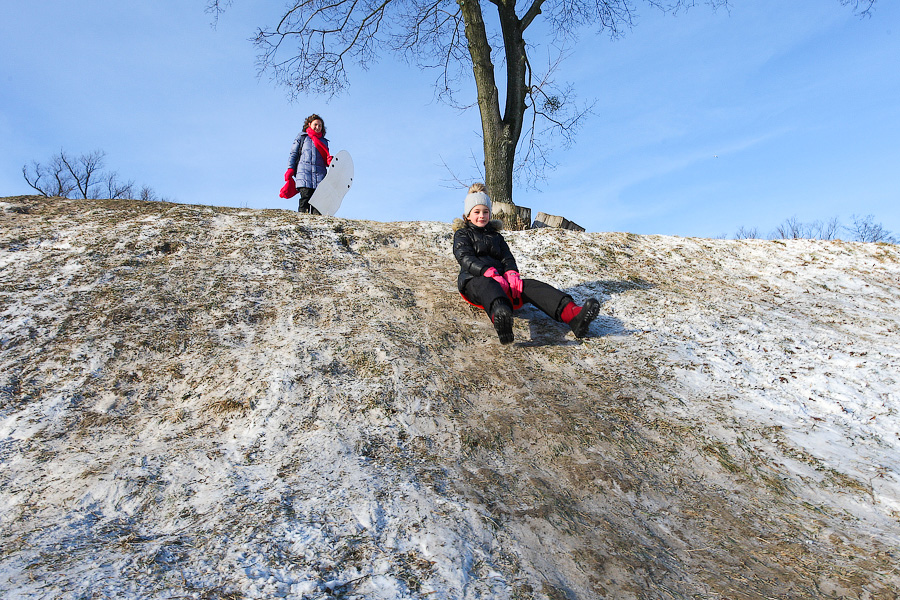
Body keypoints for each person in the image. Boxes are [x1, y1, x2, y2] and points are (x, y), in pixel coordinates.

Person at [452, 183, 601, 345]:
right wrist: (488, 271)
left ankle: (572, 315)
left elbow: (507, 259)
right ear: (467, 215)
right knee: (486, 284)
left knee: (531, 286)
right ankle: (501, 318)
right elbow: (464, 257)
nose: (482, 216)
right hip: (474, 281)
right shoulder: (463, 234)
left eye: (485, 212)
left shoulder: (497, 237)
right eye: (477, 212)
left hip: (503, 283)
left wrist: (511, 274)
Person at [280, 114, 333, 214]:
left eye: (320, 125)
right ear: (309, 124)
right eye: (315, 124)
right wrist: (290, 168)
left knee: (319, 201)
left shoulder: (324, 142)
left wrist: (331, 161)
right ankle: (303, 221)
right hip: (304, 173)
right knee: (305, 198)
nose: (318, 127)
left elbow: (325, 157)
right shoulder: (302, 137)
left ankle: (317, 224)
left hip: (320, 175)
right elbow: (293, 154)